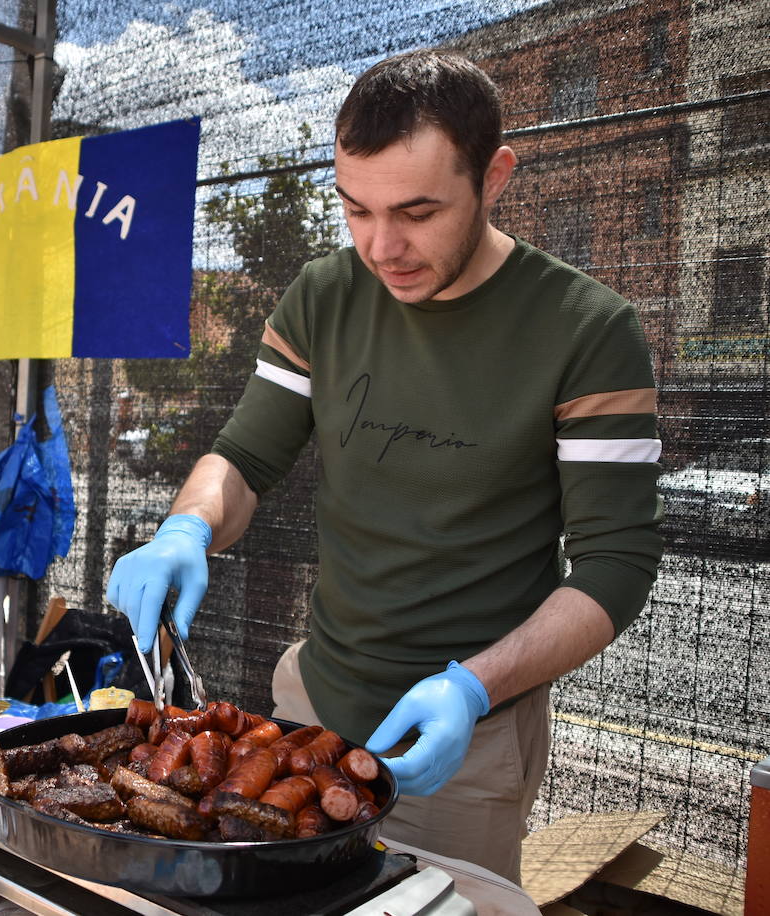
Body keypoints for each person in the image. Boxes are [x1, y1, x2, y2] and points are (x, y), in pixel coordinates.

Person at [106, 49, 662, 882]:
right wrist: (188, 526)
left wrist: (473, 688)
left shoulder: (588, 330)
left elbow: (618, 563)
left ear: (495, 176)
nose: (381, 245)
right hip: (308, 706)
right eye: (355, 209)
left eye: (417, 211)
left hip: (465, 743)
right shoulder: (323, 295)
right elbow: (246, 458)